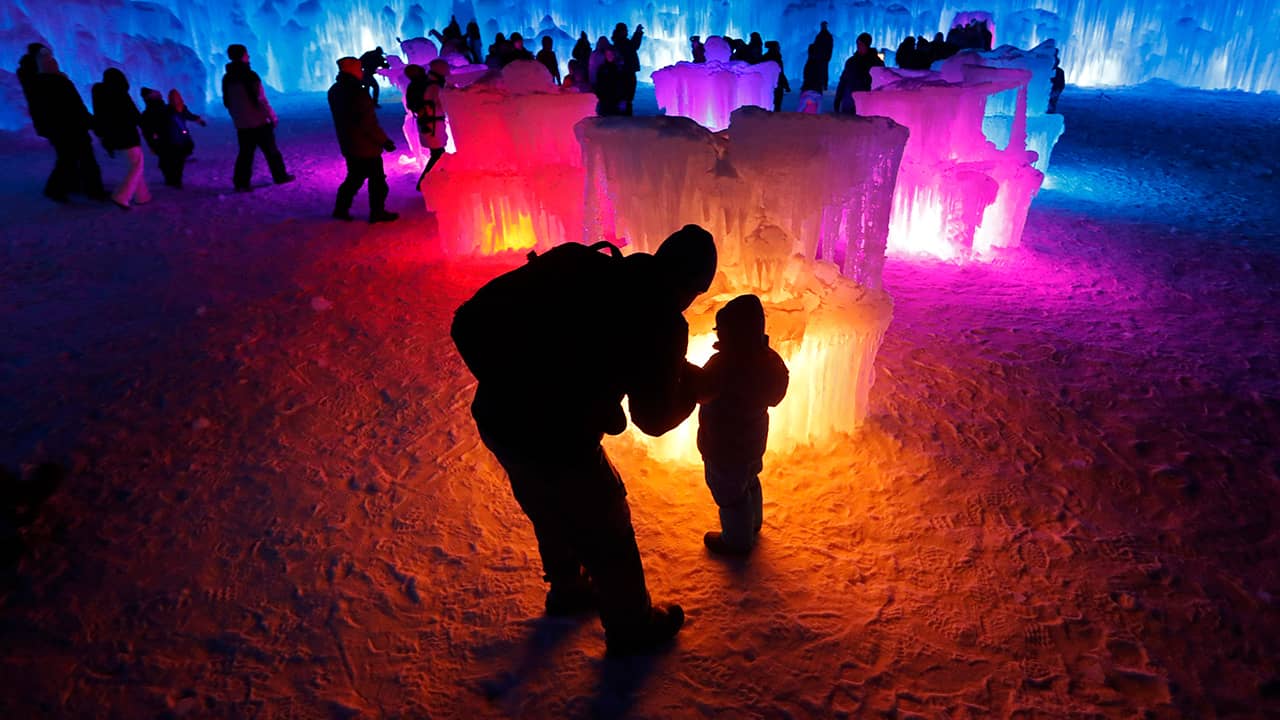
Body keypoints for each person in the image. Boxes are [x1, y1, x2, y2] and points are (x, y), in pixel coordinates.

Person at [450, 225, 719, 656]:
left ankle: (569, 587)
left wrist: (514, 384)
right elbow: (653, 418)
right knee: (607, 525)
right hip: (559, 439)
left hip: (499, 420)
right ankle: (632, 627)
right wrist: (695, 392)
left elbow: (469, 319)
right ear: (692, 286)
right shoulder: (660, 323)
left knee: (545, 502)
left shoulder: (579, 262)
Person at [694, 295, 789, 555]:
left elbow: (701, 390)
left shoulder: (724, 365)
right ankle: (753, 524)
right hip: (753, 441)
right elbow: (776, 394)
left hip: (724, 446)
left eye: (721, 330)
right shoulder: (769, 360)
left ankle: (736, 541)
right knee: (748, 479)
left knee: (729, 494)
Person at [23, 45, 107, 203]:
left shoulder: (45, 83)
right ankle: (86, 190)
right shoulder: (56, 83)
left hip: (64, 129)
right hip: (71, 128)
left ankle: (62, 188)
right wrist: (89, 121)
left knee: (69, 159)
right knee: (79, 160)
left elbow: (70, 107)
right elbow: (73, 107)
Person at [328, 56, 398, 223]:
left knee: (354, 177)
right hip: (365, 145)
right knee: (377, 180)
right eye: (359, 69)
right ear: (352, 71)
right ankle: (377, 212)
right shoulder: (358, 92)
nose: (361, 72)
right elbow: (367, 123)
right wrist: (384, 141)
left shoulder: (335, 90)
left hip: (348, 142)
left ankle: (341, 208)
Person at [222, 44, 293, 191]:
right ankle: (280, 176)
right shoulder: (250, 76)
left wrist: (237, 119)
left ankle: (241, 183)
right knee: (271, 151)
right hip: (259, 122)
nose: (249, 56)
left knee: (245, 154)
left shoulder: (227, 78)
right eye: (247, 54)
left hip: (242, 124)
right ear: (242, 56)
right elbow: (261, 99)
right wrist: (272, 117)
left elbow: (229, 102)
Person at [92, 68, 150, 210]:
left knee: (133, 165)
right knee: (137, 166)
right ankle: (122, 197)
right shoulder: (120, 94)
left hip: (114, 138)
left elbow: (99, 119)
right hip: (127, 136)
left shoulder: (99, 95)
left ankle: (142, 196)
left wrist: (104, 137)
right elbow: (135, 116)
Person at [139, 87, 204, 188]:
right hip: (174, 140)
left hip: (164, 141)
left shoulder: (149, 114)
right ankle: (175, 179)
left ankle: (171, 179)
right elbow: (182, 114)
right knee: (176, 160)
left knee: (167, 160)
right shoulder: (167, 109)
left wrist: (152, 144)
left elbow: (147, 131)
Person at [410, 59, 449, 193]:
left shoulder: (430, 84)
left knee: (437, 154)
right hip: (433, 125)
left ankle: (431, 182)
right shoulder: (434, 86)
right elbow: (441, 105)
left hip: (431, 124)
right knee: (438, 155)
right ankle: (425, 183)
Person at [833, 32, 883, 115]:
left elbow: (880, 83)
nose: (859, 46)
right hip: (849, 100)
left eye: (861, 44)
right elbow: (843, 81)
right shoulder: (851, 61)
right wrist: (838, 98)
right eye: (858, 44)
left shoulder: (876, 63)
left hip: (866, 101)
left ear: (867, 45)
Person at [611, 23, 643, 115]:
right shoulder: (621, 42)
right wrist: (637, 33)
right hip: (626, 71)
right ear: (621, 31)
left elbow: (633, 46)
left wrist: (638, 33)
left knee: (627, 94)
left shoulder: (621, 41)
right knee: (627, 94)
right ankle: (625, 114)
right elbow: (634, 46)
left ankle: (626, 111)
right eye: (625, 30)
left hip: (627, 70)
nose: (627, 32)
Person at [593, 47, 626, 116]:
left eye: (611, 54)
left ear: (614, 55)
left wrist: (622, 98)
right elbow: (599, 83)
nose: (609, 56)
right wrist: (599, 95)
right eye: (607, 54)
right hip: (605, 98)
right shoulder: (602, 68)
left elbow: (623, 83)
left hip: (616, 98)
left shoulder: (619, 68)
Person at [762, 40, 790, 112]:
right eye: (778, 47)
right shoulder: (776, 58)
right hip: (776, 84)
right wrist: (786, 85)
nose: (779, 48)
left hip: (768, 83)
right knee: (777, 104)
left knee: (771, 103)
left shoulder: (765, 57)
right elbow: (780, 73)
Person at [813, 21, 834, 91]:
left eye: (824, 25)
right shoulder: (820, 36)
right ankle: (821, 84)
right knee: (820, 71)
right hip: (820, 56)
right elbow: (816, 46)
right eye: (822, 25)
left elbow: (830, 47)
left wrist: (828, 56)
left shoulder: (827, 36)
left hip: (824, 57)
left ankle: (824, 85)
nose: (823, 27)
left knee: (824, 71)